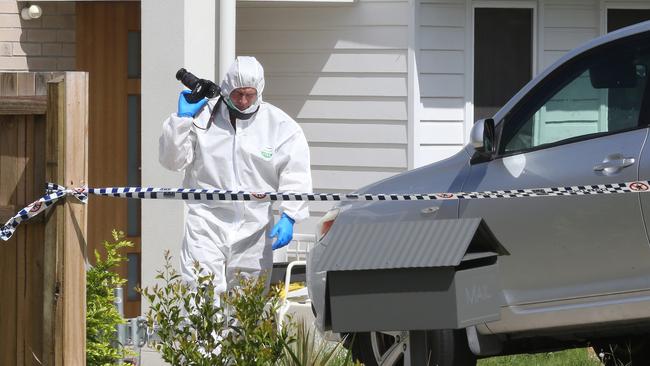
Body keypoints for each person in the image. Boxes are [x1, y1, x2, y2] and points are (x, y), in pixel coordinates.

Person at [159, 56, 312, 297]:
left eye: (249, 95)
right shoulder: (202, 117)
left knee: (247, 302)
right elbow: (171, 161)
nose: (243, 101)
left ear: (259, 91)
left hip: (255, 225)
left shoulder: (280, 126)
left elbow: (296, 173)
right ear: (226, 89)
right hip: (206, 220)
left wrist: (290, 216)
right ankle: (203, 337)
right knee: (201, 293)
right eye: (237, 94)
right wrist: (181, 120)